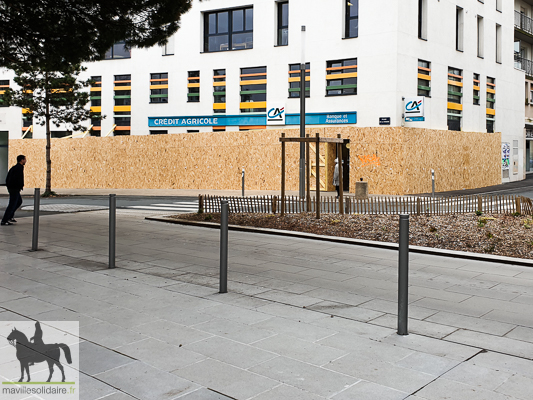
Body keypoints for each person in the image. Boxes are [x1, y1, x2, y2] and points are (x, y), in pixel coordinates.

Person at [1, 155, 26, 226]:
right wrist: (18, 186)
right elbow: (16, 179)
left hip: (13, 188)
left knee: (19, 201)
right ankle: (4, 220)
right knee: (12, 204)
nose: (25, 161)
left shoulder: (16, 167)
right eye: (24, 159)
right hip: (14, 188)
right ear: (21, 160)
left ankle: (10, 216)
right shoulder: (18, 168)